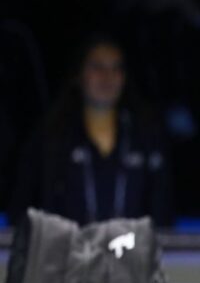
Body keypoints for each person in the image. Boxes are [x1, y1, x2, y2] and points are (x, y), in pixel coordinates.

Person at [9, 34, 172, 227]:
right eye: (97, 67)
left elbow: (164, 211)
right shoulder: (51, 136)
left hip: (132, 252)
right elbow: (22, 207)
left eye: (116, 68)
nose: (107, 77)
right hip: (67, 253)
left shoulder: (146, 136)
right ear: (78, 75)